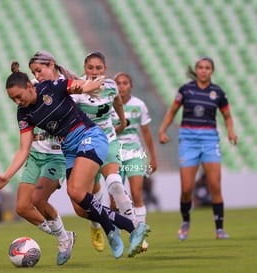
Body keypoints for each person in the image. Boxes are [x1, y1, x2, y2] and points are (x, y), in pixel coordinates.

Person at [0, 61, 150, 259]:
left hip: (89, 136)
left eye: (18, 96)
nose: (16, 101)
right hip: (69, 149)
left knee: (76, 190)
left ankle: (131, 227)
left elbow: (81, 86)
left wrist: (92, 84)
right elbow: (24, 149)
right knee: (78, 203)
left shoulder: (52, 87)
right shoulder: (23, 113)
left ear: (30, 87)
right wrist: (6, 176)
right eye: (12, 99)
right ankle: (112, 229)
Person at [158, 56, 238, 240]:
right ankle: (185, 222)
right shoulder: (186, 90)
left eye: (207, 68)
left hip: (210, 140)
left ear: (212, 71)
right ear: (197, 70)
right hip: (188, 141)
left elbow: (227, 116)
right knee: (187, 189)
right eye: (200, 67)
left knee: (215, 185)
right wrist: (162, 130)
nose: (203, 70)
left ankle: (219, 229)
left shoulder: (218, 92)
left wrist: (231, 132)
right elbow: (172, 111)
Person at [67, 52, 137, 252]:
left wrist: (122, 122)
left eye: (98, 68)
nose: (94, 71)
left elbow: (117, 103)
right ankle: (96, 226)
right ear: (84, 68)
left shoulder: (111, 86)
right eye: (90, 67)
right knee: (88, 196)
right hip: (86, 145)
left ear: (104, 69)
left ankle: (136, 229)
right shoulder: (78, 89)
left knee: (115, 183)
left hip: (108, 140)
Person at [12, 126, 75, 266]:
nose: (18, 102)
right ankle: (65, 236)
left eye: (19, 101)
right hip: (34, 156)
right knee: (22, 208)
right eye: (15, 101)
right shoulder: (23, 110)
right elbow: (29, 137)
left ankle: (64, 240)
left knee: (38, 199)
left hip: (56, 157)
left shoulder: (61, 104)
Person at [114, 72, 158, 250]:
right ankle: (117, 235)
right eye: (118, 83)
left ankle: (139, 237)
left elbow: (146, 133)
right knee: (113, 201)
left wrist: (153, 157)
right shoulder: (108, 105)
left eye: (125, 83)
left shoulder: (139, 105)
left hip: (134, 153)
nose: (122, 86)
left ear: (131, 86)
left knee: (137, 194)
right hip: (114, 153)